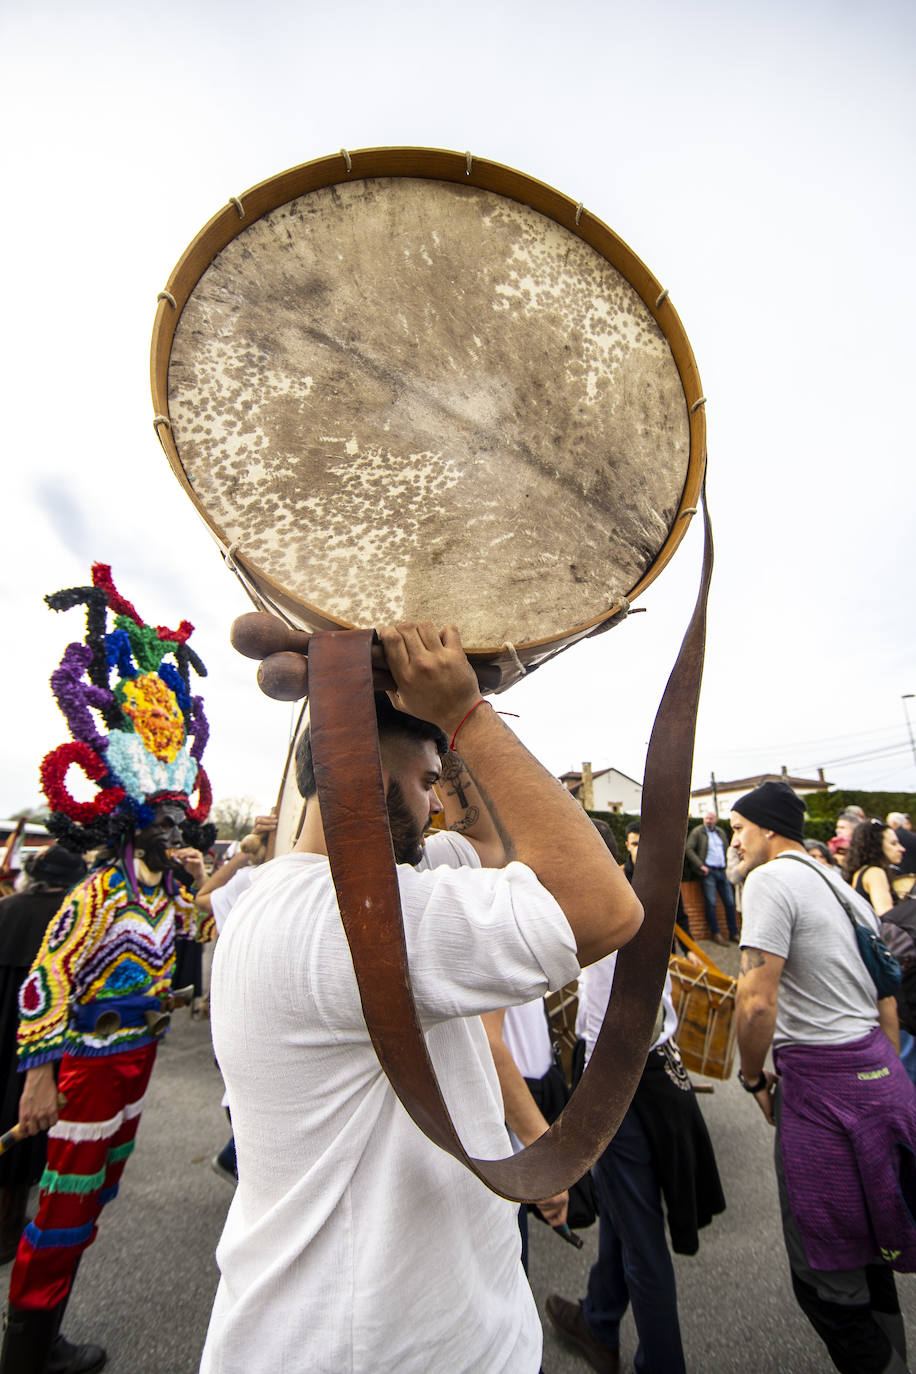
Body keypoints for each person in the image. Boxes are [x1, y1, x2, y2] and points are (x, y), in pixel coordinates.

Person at [200, 621, 643, 1374]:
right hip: (363, 1352)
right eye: (427, 779)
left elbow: (497, 852)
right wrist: (466, 716)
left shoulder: (369, 888)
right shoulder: (339, 920)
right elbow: (605, 908)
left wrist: (447, 721)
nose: (437, 803)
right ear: (361, 771)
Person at [0, 564, 217, 1374]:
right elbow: (45, 978)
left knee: (91, 1198)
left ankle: (45, 1325)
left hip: (140, 1059)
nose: (173, 827)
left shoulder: (167, 894)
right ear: (134, 826)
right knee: (60, 1205)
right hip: (86, 1066)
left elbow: (203, 937)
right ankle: (29, 1346)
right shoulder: (98, 893)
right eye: (161, 820)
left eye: (178, 817)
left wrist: (205, 886)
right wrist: (38, 1074)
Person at [733, 780, 916, 1374]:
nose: (734, 841)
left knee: (825, 1274)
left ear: (768, 830)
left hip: (821, 1089)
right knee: (872, 1254)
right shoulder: (842, 887)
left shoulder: (768, 880)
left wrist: (754, 1079)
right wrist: (880, 1080)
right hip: (880, 1074)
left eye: (739, 829)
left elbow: (756, 1001)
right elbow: (886, 1000)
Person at [547, 823, 725, 1374]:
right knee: (627, 1211)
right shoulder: (635, 894)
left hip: (619, 1074)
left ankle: (661, 1363)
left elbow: (603, 1013)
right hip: (650, 1066)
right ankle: (598, 1320)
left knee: (642, 1236)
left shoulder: (594, 903)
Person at [0, 848, 87, 1264]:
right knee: (22, 1131)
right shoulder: (70, 921)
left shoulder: (6, 908)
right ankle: (7, 1228)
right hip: (38, 1044)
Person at [195, 815, 277, 1185]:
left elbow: (202, 898)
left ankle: (239, 1160)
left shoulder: (249, 878)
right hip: (255, 1020)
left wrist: (244, 856)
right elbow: (200, 900)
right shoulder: (254, 882)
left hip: (238, 1017)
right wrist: (246, 855)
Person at [685, 810, 739, 944]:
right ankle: (716, 933)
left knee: (730, 903)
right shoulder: (698, 832)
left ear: (715, 819)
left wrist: (728, 865)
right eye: (706, 818)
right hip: (708, 872)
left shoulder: (720, 832)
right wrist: (700, 865)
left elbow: (727, 849)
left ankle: (734, 933)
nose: (708, 820)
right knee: (711, 903)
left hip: (722, 871)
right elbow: (689, 849)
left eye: (711, 818)